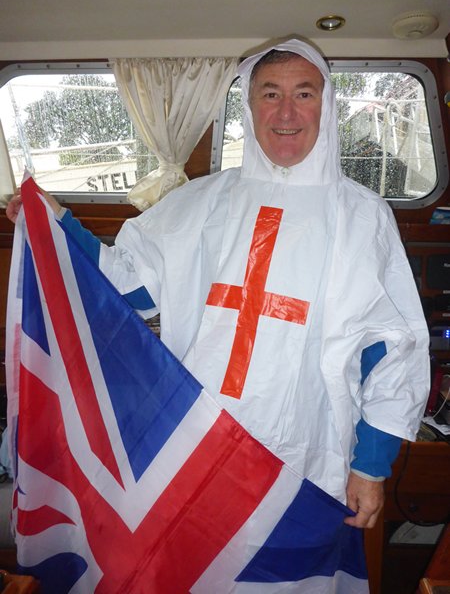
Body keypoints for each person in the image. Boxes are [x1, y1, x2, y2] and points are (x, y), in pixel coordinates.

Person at [7, 39, 430, 531]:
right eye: (270, 94)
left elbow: (392, 348)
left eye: (304, 94)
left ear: (327, 105)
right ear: (249, 108)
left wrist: (371, 464)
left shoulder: (363, 217)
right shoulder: (202, 202)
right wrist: (57, 222)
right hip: (200, 439)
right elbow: (127, 287)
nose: (286, 112)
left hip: (308, 449)